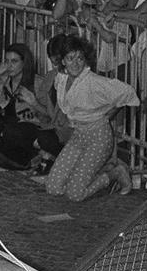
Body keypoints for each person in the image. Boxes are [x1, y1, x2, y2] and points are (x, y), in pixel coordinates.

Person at [39, 35, 138, 199]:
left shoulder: (93, 81)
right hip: (78, 136)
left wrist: (105, 116)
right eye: (70, 58)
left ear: (85, 60)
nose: (75, 63)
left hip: (98, 138)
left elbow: (127, 92)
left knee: (75, 194)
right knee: (53, 187)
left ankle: (115, 173)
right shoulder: (61, 79)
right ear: (63, 61)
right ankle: (89, 176)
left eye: (80, 58)